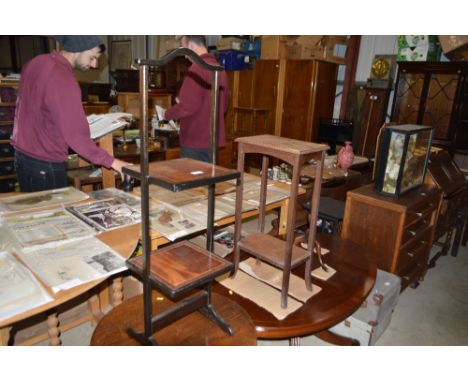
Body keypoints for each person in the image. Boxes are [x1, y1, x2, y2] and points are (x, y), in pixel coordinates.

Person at [11, 35, 130, 192]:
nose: (94, 64)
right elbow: (75, 136)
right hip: (46, 166)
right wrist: (114, 163)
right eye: (92, 57)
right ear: (79, 48)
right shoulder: (63, 79)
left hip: (22, 158)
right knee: (54, 216)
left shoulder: (35, 63)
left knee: (36, 215)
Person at [164, 35, 230, 163]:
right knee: (209, 180)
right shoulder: (220, 71)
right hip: (213, 141)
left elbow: (187, 107)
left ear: (191, 46)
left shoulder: (196, 69)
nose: (184, 55)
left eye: (184, 49)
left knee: (193, 182)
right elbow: (224, 104)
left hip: (195, 142)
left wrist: (167, 114)